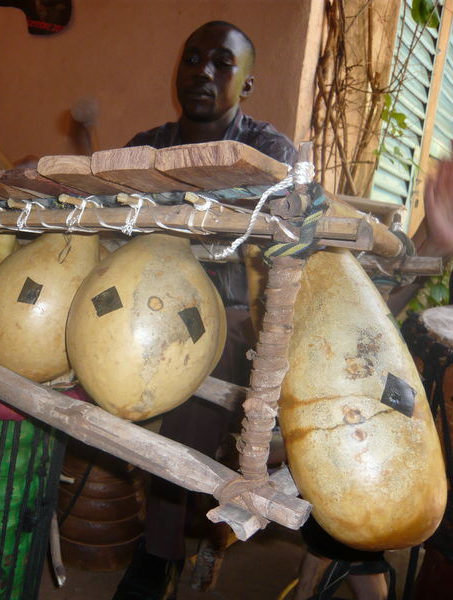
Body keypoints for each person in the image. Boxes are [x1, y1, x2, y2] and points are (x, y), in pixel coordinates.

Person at [114, 20, 297, 600]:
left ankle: (159, 551)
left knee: (200, 369)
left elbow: (281, 230)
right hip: (149, 297)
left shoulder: (267, 152)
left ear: (246, 85)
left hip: (229, 311)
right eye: (193, 59)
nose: (203, 73)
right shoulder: (148, 143)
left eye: (222, 63)